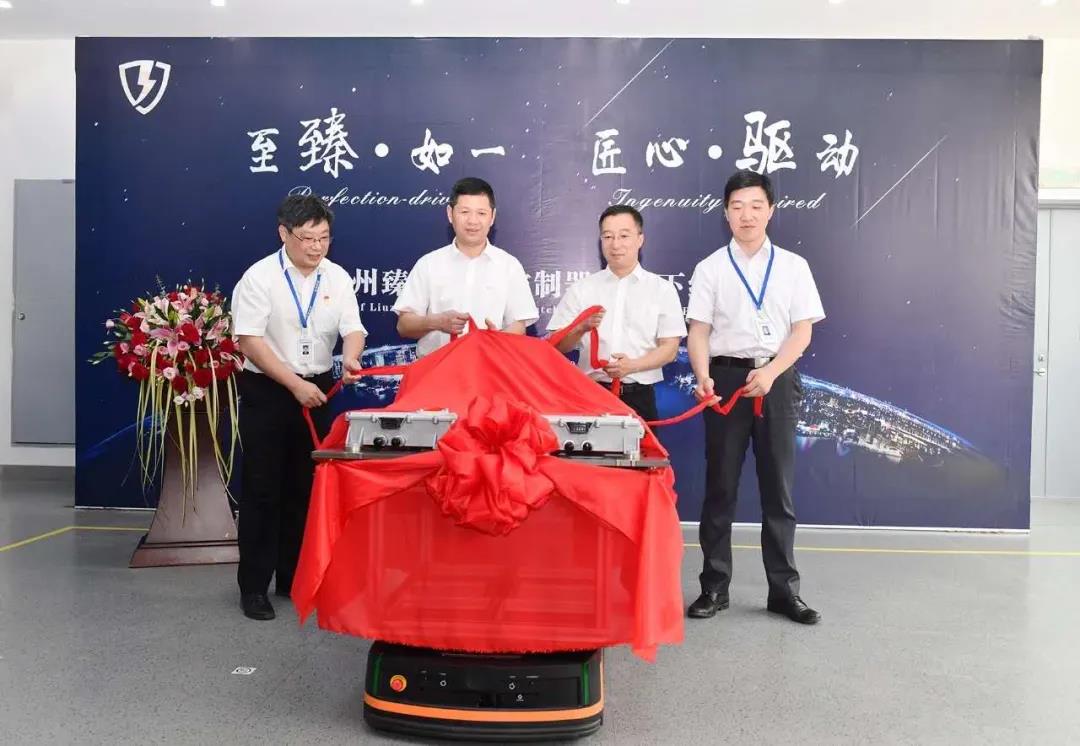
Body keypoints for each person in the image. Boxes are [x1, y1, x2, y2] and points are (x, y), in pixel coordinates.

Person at [685, 170, 825, 624]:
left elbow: (802, 331)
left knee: (778, 491)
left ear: (771, 211)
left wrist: (770, 372)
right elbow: (699, 331)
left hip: (776, 378)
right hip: (726, 380)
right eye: (737, 207)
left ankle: (784, 591)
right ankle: (714, 587)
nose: (746, 215)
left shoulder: (793, 266)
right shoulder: (710, 268)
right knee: (720, 488)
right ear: (725, 213)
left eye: (756, 206)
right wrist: (703, 377)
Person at [231, 195, 367, 621]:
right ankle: (254, 587)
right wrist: (293, 384)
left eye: (323, 237)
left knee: (304, 489)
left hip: (319, 390)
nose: (316, 247)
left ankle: (292, 578)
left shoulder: (337, 277)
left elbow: (353, 328)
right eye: (307, 238)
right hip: (269, 390)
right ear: (283, 234)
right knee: (263, 489)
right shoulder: (259, 277)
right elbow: (249, 340)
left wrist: (351, 357)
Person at [548, 205, 686, 420]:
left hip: (640, 396)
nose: (615, 244)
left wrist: (632, 366)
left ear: (640, 239)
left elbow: (670, 349)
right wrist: (580, 328)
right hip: (591, 394)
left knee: (643, 444)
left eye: (624, 236)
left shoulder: (662, 289)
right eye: (608, 236)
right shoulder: (582, 289)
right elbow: (556, 345)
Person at [393, 177, 538, 356]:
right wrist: (436, 322)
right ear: (450, 213)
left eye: (481, 213)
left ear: (492, 217)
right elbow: (404, 325)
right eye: (464, 212)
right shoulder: (429, 264)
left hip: (489, 368)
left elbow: (519, 325)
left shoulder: (509, 266)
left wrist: (497, 339)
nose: (472, 221)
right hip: (437, 369)